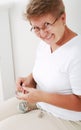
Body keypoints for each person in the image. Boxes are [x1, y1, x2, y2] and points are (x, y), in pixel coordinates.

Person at [0, 0, 81, 129]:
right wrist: (30, 79)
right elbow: (50, 69)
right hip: (40, 102)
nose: (42, 34)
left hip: (66, 118)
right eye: (36, 28)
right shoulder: (46, 43)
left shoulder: (77, 53)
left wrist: (41, 96)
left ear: (63, 18)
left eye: (47, 24)